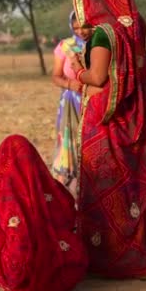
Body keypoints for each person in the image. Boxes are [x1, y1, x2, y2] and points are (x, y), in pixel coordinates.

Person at [69, 0, 146, 278]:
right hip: (132, 116)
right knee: (129, 187)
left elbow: (98, 78)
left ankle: (106, 255)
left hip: (105, 120)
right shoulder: (136, 26)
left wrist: (78, 72)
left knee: (102, 185)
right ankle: (134, 253)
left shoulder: (104, 33)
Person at [0, 135, 87, 291]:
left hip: (20, 275)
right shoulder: (52, 186)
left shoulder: (0, 187)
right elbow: (68, 220)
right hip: (62, 272)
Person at [50, 11, 93, 196]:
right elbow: (56, 76)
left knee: (89, 145)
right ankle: (67, 192)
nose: (80, 32)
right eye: (76, 28)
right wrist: (70, 84)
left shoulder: (99, 45)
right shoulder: (66, 46)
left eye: (84, 26)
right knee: (70, 146)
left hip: (92, 100)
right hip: (70, 103)